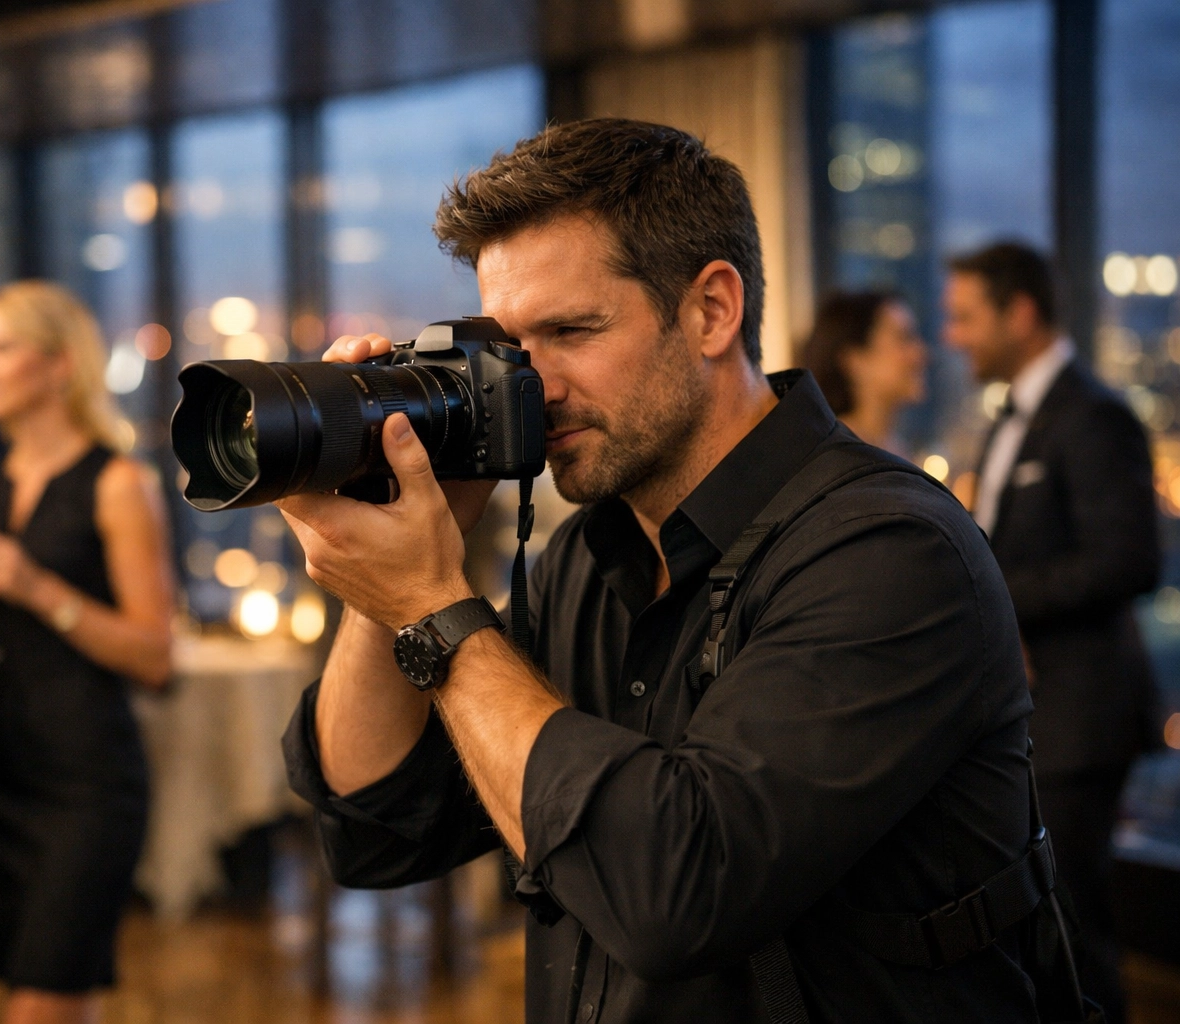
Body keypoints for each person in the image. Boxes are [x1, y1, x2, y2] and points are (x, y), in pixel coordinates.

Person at [279, 119, 1042, 1022]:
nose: (534, 384)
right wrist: (389, 573)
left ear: (712, 310)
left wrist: (435, 604)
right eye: (512, 349)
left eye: (570, 330)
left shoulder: (892, 552)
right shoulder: (583, 560)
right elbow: (372, 826)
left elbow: (678, 893)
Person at [0, 281, 174, 1024]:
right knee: (43, 994)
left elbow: (155, 658)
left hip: (85, 782)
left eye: (0, 348)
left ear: (58, 365)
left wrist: (38, 589)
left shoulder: (118, 484)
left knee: (43, 1000)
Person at [944, 241, 1161, 1024]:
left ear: (1021, 312)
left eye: (965, 317)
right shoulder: (1014, 417)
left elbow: (1130, 559)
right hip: (1042, 717)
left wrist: (993, 597)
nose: (954, 336)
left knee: (1077, 931)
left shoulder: (1094, 414)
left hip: (1081, 716)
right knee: (1050, 924)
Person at [801, 291, 927, 454]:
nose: (921, 353)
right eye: (903, 338)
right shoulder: (839, 455)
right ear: (855, 360)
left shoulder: (892, 447)